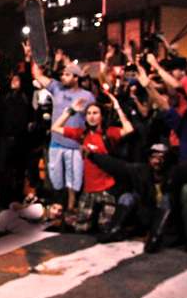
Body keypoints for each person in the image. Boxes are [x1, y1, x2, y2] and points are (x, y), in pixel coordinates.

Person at [51, 92, 134, 233]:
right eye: (88, 113)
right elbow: (55, 128)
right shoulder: (82, 134)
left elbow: (129, 129)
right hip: (89, 191)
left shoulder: (109, 133)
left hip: (107, 189)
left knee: (105, 227)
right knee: (81, 228)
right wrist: (71, 110)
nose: (91, 116)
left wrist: (117, 107)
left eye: (95, 113)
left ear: (101, 116)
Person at [32, 61, 95, 212]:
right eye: (62, 74)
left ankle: (72, 208)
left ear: (76, 77)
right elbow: (38, 75)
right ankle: (58, 208)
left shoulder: (87, 96)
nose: (63, 77)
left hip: (75, 144)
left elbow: (92, 119)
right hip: (56, 142)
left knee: (74, 180)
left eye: (67, 75)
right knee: (55, 178)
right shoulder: (57, 88)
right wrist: (33, 55)